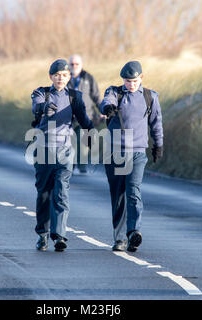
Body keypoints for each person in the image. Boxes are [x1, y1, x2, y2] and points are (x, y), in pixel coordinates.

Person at [99, 61, 163, 252]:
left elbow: (156, 123)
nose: (131, 84)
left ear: (141, 78)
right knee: (118, 195)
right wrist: (108, 108)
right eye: (127, 81)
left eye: (134, 81)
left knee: (133, 191)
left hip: (137, 152)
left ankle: (133, 231)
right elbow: (106, 101)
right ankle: (120, 239)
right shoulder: (115, 92)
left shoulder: (150, 96)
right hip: (115, 152)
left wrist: (158, 144)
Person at [31, 59, 94, 252]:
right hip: (43, 151)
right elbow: (36, 106)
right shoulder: (42, 92)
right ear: (51, 76)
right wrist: (43, 108)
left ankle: (59, 235)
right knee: (44, 194)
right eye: (57, 75)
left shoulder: (75, 96)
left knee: (61, 193)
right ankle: (42, 234)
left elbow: (84, 120)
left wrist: (90, 136)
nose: (60, 78)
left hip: (65, 152)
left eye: (64, 75)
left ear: (69, 77)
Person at [67, 54, 102, 174]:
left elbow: (96, 96)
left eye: (77, 64)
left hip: (86, 116)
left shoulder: (89, 78)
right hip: (68, 117)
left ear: (81, 65)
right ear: (68, 65)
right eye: (72, 64)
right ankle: (69, 166)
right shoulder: (63, 77)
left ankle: (82, 165)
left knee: (83, 142)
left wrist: (103, 110)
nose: (74, 66)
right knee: (69, 142)